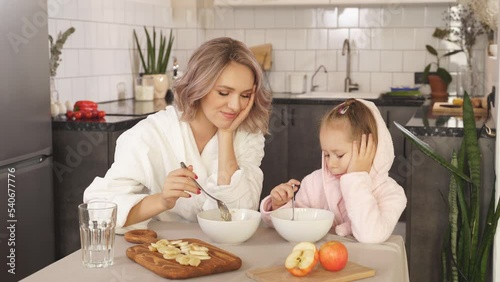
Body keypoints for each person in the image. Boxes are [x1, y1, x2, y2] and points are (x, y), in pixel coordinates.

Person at [84, 37, 272, 232]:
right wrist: (163, 200)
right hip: (162, 252)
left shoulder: (247, 135)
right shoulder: (149, 135)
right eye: (224, 93)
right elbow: (99, 212)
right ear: (199, 87)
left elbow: (238, 219)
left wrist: (226, 134)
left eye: (245, 95)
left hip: (226, 251)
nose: (235, 106)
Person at [260, 98, 407, 244]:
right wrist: (278, 205)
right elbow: (295, 223)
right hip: (320, 263)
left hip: (365, 265)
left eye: (340, 155)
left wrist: (356, 178)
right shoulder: (313, 183)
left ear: (371, 149)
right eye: (327, 154)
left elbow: (370, 235)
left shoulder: (391, 193)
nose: (331, 163)